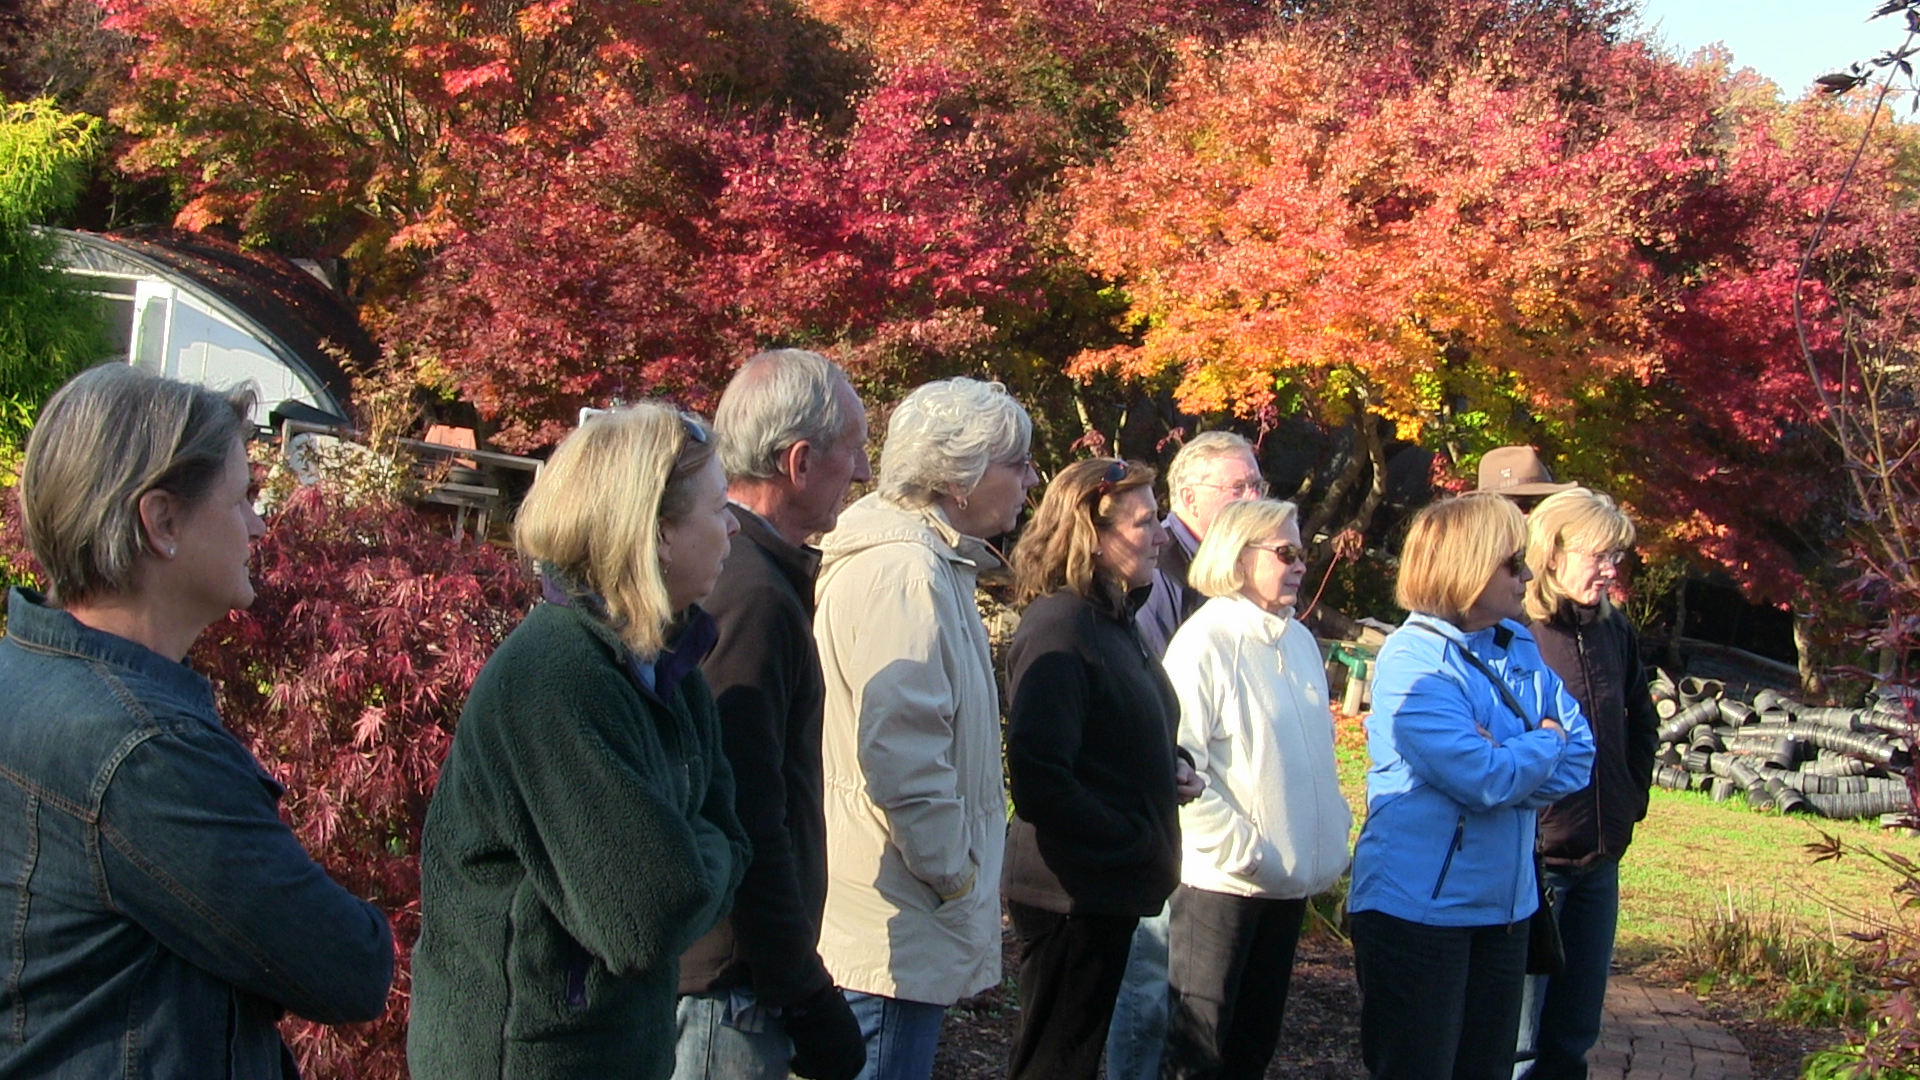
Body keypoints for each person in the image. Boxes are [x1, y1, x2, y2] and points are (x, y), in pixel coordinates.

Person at [0, 364, 394, 1077]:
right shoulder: (144, 753)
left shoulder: (23, 672)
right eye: (241, 498)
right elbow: (349, 965)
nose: (258, 525)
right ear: (161, 522)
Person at [409, 403, 752, 1080]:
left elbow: (732, 838)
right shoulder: (556, 677)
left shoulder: (670, 666)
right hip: (526, 1059)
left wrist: (690, 861)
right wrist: (692, 860)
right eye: (719, 508)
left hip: (612, 1049)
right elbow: (647, 918)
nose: (735, 525)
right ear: (658, 533)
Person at [812, 377, 1038, 1080]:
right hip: (891, 924)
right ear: (960, 476)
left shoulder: (925, 563)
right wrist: (954, 875)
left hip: (899, 911)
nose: (1032, 481)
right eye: (1018, 463)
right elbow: (902, 753)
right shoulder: (905, 572)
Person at [1348, 493, 1595, 1080]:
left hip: (1506, 912)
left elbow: (1580, 757)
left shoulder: (1518, 644)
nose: (1527, 576)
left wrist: (1512, 759)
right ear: (1468, 567)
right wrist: (1542, 742)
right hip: (1419, 914)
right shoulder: (1415, 662)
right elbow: (1483, 778)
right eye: (1513, 563)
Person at [675, 350, 871, 1080]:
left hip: (735, 978)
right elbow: (745, 807)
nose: (863, 471)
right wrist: (804, 992)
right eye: (853, 449)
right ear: (800, 461)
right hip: (729, 990)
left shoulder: (748, 572)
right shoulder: (752, 592)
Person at [1000, 458, 1203, 1080]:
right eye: (1145, 522)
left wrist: (1170, 768)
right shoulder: (1061, 626)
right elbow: (1039, 777)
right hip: (1071, 893)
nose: (1162, 535)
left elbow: (1118, 730)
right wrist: (1131, 838)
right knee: (1055, 1064)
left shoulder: (1114, 620)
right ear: (1092, 534)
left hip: (1107, 888)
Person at [1159, 498, 1353, 1080]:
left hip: (1285, 885)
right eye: (1285, 552)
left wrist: (1327, 833)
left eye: (1303, 553)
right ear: (1238, 557)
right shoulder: (1205, 643)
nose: (1301, 565)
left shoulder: (1298, 641)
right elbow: (1176, 763)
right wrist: (1241, 850)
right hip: (1222, 886)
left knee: (1253, 1048)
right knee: (1200, 1053)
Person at [1110, 430, 1267, 1080]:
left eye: (1258, 482)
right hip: (1166, 810)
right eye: (1239, 486)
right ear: (1190, 497)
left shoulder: (1240, 573)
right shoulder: (1161, 568)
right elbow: (1156, 692)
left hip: (1224, 815)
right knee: (1151, 985)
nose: (1254, 496)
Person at [1515, 489, 1658, 1080]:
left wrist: (1629, 801)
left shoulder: (1613, 630)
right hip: (1536, 864)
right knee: (1518, 1040)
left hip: (1600, 858)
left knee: (1573, 1035)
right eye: (1598, 556)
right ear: (1552, 552)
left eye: (1615, 557)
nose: (1609, 570)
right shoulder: (1517, 632)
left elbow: (1641, 719)